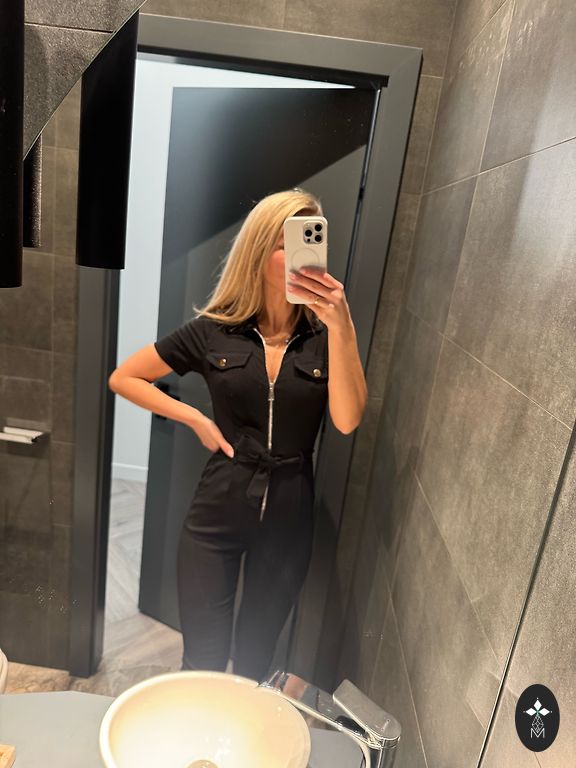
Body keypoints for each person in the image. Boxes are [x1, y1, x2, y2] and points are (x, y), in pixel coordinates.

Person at [108, 188, 367, 682]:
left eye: (310, 241)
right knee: (201, 663)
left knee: (254, 661)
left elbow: (348, 419)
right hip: (217, 513)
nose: (302, 256)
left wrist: (343, 326)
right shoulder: (214, 331)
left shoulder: (325, 337)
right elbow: (125, 377)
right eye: (287, 243)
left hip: (289, 517)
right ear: (259, 251)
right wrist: (196, 419)